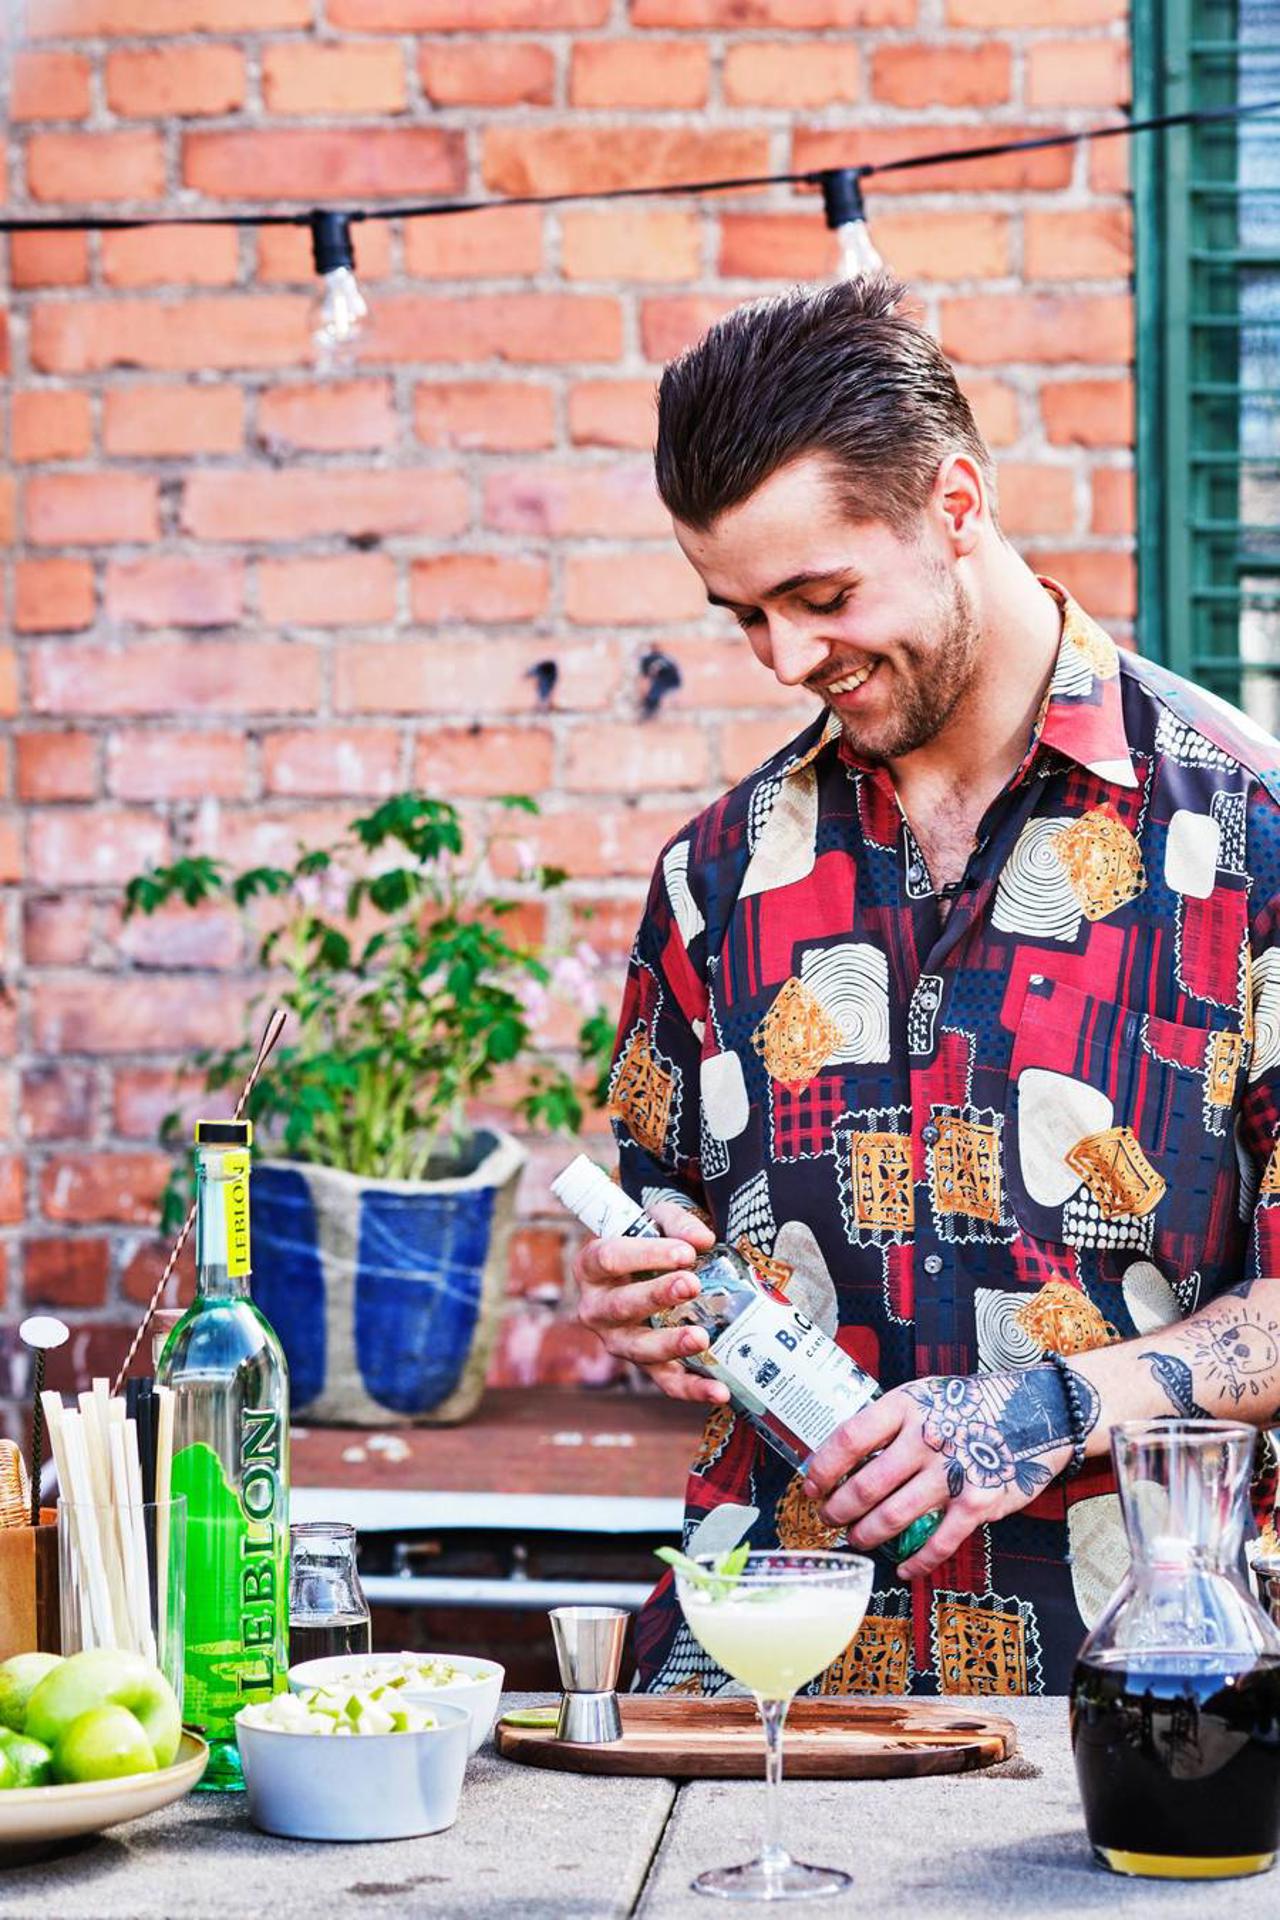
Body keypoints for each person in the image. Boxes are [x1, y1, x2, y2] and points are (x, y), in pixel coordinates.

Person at [571, 273, 1280, 1697]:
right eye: (744, 615)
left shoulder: (1251, 839)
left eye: (821, 597)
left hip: (1147, 1694)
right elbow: (665, 1227)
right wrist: (640, 1300)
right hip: (772, 1696)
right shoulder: (713, 877)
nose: (786, 659)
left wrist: (1042, 1410)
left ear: (956, 505)